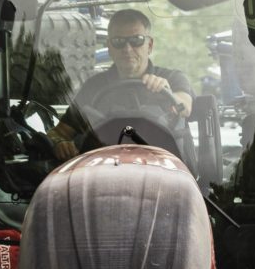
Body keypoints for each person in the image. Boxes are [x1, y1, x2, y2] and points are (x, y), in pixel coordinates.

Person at [49, 8, 194, 159]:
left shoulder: (172, 78)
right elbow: (57, 133)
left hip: (164, 166)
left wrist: (167, 91)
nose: (127, 49)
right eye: (118, 42)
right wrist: (60, 143)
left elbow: (185, 107)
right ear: (109, 47)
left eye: (136, 40)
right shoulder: (93, 86)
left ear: (149, 45)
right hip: (107, 169)